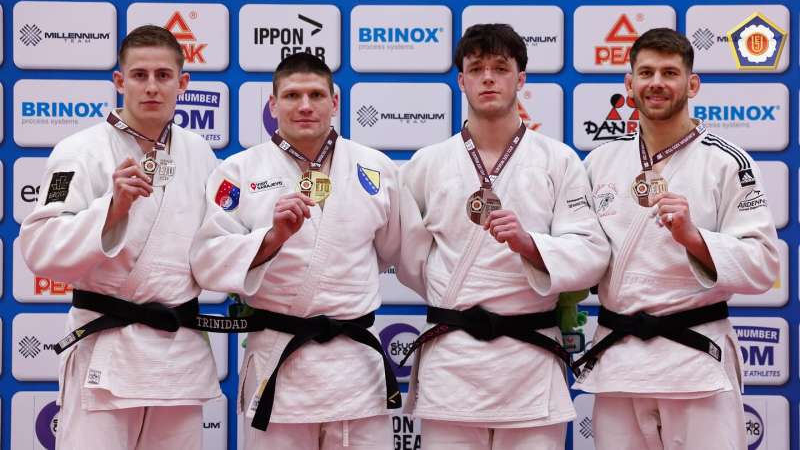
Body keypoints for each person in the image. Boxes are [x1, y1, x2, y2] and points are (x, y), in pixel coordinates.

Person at [397, 23, 609, 449]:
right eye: (476, 69)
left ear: (521, 78)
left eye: (500, 68)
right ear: (461, 80)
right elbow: (407, 258)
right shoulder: (427, 164)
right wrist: (451, 293)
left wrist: (530, 246)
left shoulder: (558, 160)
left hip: (528, 360)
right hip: (453, 360)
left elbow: (591, 254)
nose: (488, 78)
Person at [572, 28, 779, 450]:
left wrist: (694, 238)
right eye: (646, 72)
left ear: (692, 84)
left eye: (670, 73)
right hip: (620, 361)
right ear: (629, 84)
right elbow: (581, 253)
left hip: (694, 360)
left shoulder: (727, 162)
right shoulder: (599, 162)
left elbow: (763, 265)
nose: (657, 83)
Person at [19, 25, 221, 450]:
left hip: (177, 357)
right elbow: (39, 246)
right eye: (139, 75)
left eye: (163, 75)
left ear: (182, 83)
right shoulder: (79, 151)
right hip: (107, 350)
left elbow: (216, 244)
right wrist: (112, 209)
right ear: (119, 81)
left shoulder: (200, 153)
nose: (151, 87)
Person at [189, 52, 401, 449]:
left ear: (334, 102)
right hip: (279, 361)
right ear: (273, 105)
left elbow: (392, 251)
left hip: (354, 365)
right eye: (291, 96)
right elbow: (209, 263)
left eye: (316, 95)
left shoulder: (376, 168)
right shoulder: (238, 171)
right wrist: (273, 238)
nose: (305, 106)